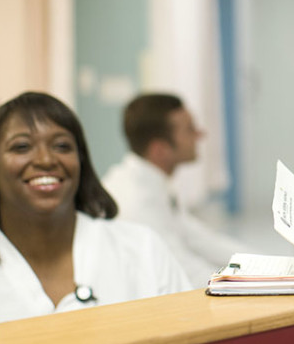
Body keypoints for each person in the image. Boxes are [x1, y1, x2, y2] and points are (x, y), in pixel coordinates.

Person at [0, 92, 190, 336]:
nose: (46, 160)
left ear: (80, 163)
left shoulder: (142, 249)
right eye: (22, 147)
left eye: (62, 146)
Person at [103, 93, 245, 288]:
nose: (200, 134)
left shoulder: (151, 183)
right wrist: (251, 284)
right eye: (190, 129)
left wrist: (266, 265)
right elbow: (184, 272)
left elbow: (199, 238)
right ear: (160, 150)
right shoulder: (138, 201)